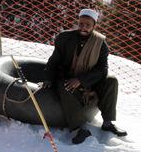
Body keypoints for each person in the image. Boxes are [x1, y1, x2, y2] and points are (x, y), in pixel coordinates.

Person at [42, 8, 128, 144]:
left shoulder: (100, 44)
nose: (83, 27)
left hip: (89, 81)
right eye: (81, 23)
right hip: (67, 79)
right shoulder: (64, 38)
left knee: (111, 80)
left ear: (94, 26)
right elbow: (54, 61)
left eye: (88, 25)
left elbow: (102, 69)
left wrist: (81, 80)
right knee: (66, 87)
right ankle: (80, 129)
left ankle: (107, 123)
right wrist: (48, 78)